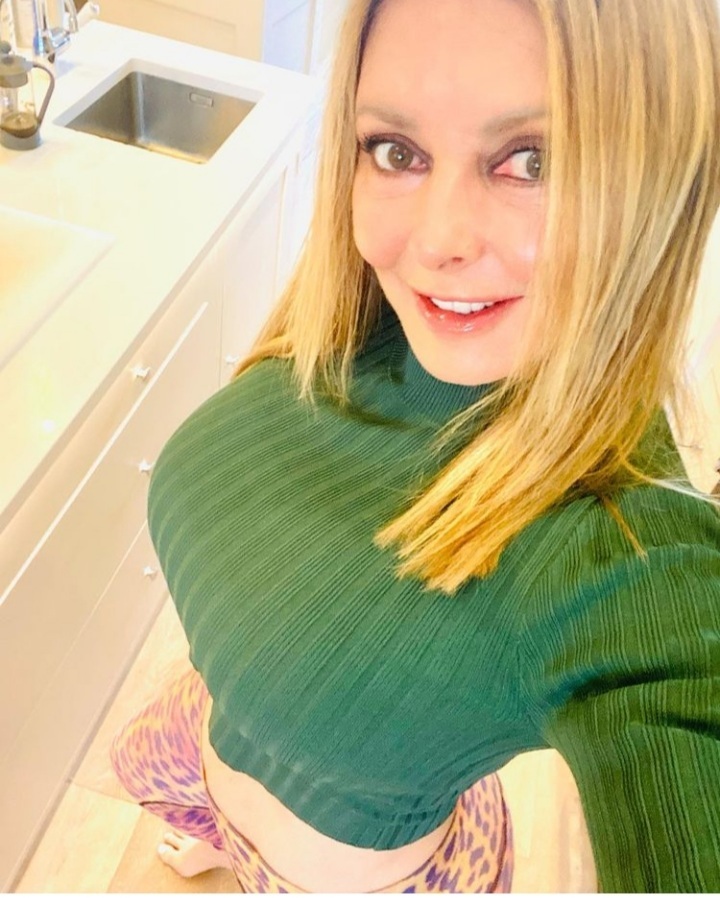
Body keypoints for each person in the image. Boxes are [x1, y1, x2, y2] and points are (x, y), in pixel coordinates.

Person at [110, 0, 720, 891]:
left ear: (662, 185)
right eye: (396, 151)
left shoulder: (628, 551)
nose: (435, 244)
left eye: (534, 162)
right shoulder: (365, 321)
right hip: (201, 741)